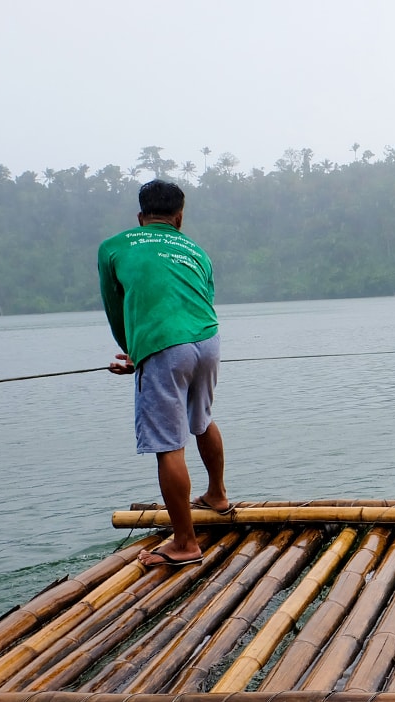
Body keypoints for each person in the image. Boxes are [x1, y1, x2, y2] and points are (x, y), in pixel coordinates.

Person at [98, 179, 230, 568]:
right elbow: (202, 299)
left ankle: (185, 543)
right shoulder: (196, 251)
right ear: (179, 218)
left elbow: (116, 307)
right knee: (202, 419)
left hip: (162, 344)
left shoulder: (114, 247)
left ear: (141, 218)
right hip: (208, 339)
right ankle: (218, 496)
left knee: (168, 444)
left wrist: (137, 354)